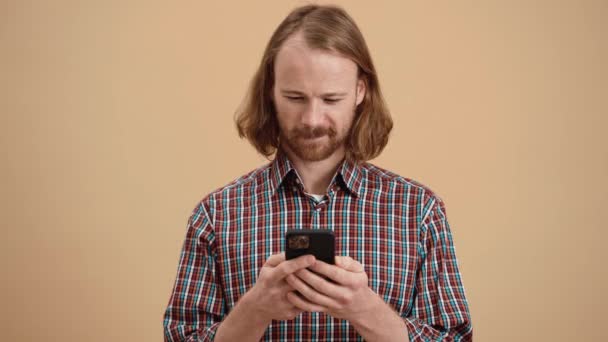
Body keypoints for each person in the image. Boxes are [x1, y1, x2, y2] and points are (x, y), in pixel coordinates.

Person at [163, 4, 473, 341]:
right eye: (295, 97)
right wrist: (254, 311)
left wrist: (365, 309)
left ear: (360, 91)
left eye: (331, 99)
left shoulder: (419, 211)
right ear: (271, 90)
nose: (312, 119)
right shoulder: (216, 216)